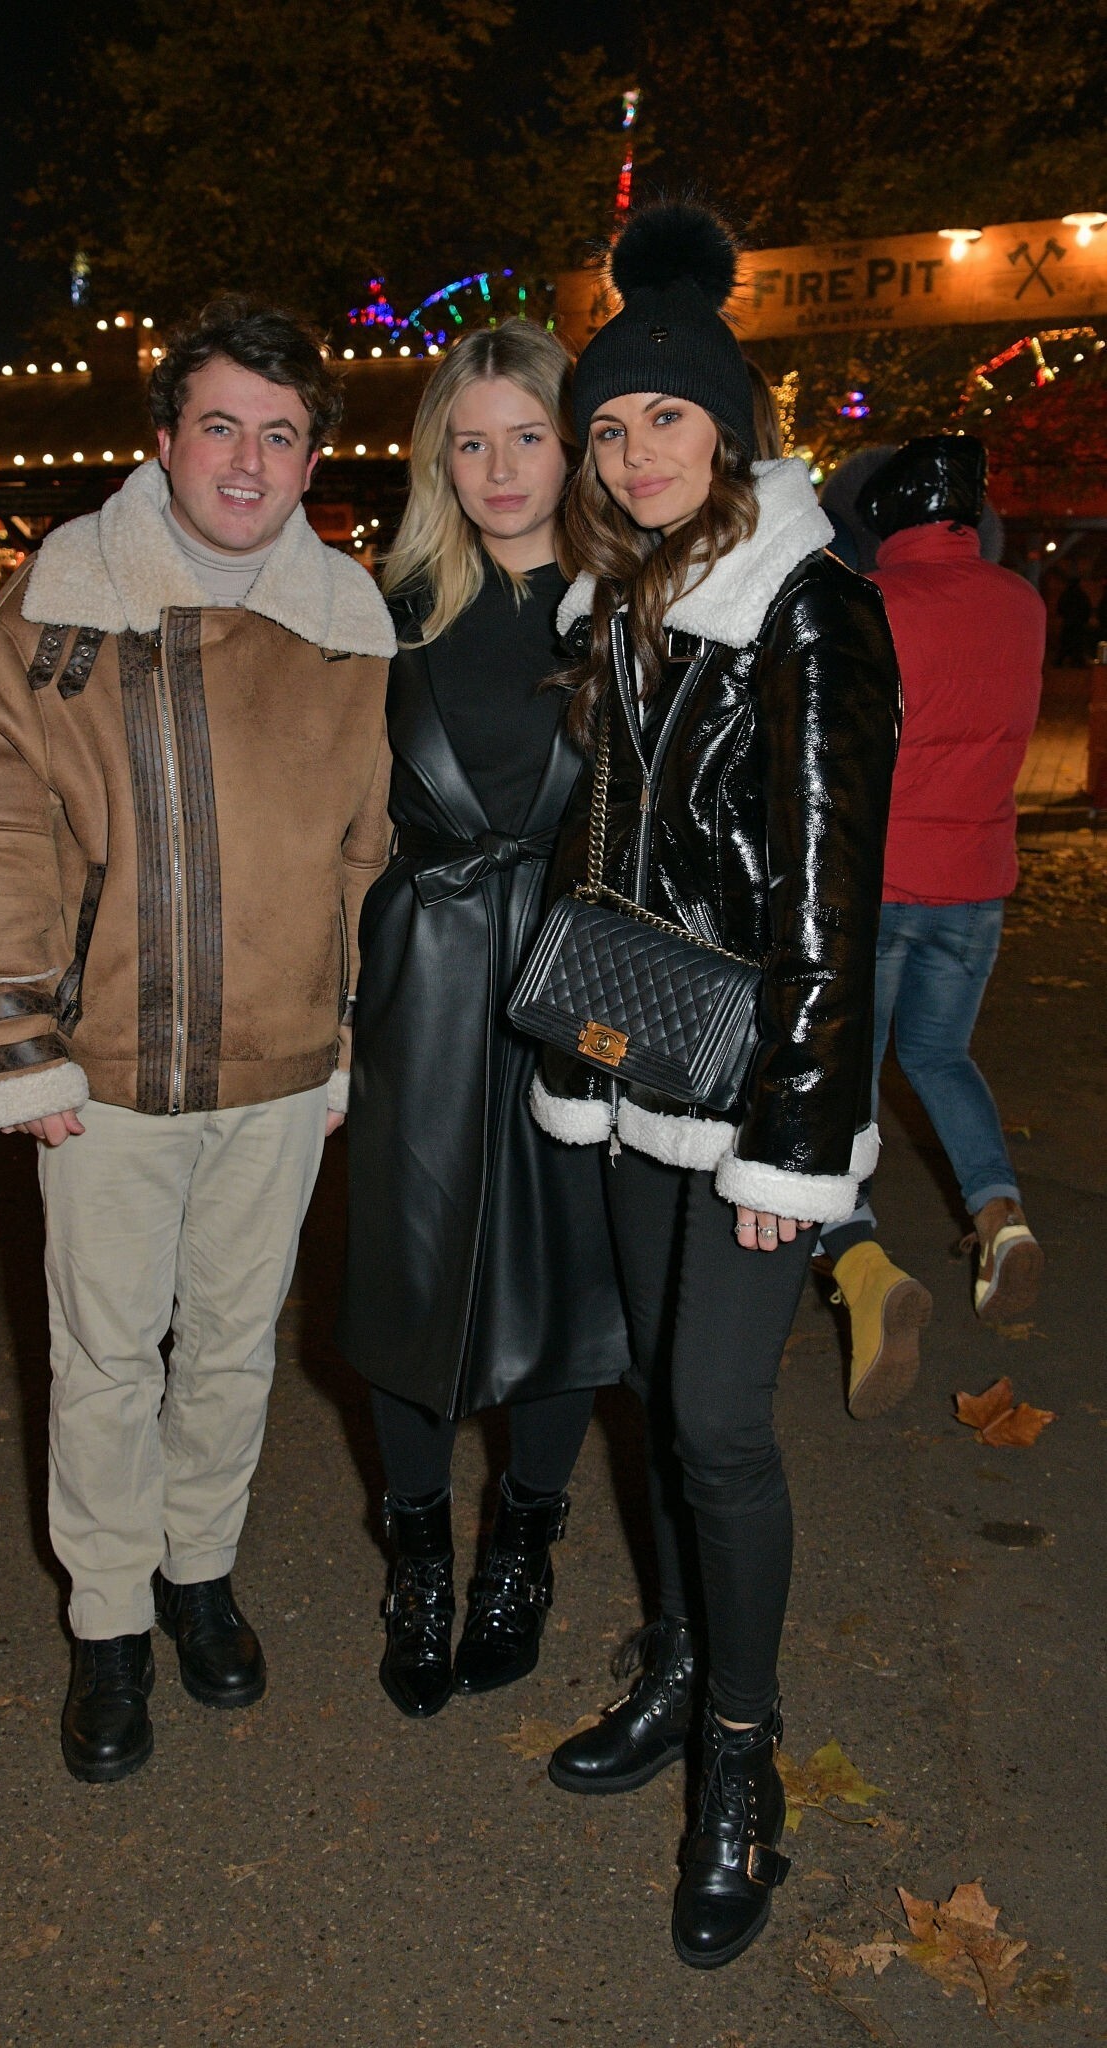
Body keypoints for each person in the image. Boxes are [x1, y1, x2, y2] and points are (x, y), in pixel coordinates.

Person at [0, 295, 394, 1784]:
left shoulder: (350, 623)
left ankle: (201, 1573)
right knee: (105, 1357)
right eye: (221, 426)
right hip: (107, 1068)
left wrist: (343, 1037)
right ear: (164, 438)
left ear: (312, 458)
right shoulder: (58, 602)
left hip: (280, 1068)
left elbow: (367, 852)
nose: (248, 462)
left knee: (236, 1348)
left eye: (280, 435)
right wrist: (16, 1040)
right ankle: (111, 1619)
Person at [528, 202, 900, 1967]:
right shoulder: (622, 600)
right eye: (608, 425)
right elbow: (610, 844)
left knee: (721, 1422)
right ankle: (675, 1664)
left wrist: (793, 1147)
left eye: (664, 416)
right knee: (649, 1399)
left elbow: (833, 902)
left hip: (753, 1088)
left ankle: (740, 1767)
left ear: (732, 424)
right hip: (633, 1062)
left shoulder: (809, 608)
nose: (633, 451)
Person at [339, 325, 630, 1720]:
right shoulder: (380, 611)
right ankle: (417, 1560)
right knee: (407, 1275)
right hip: (426, 976)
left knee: (573, 1278)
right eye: (473, 441)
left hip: (581, 981)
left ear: (572, 449)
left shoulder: (632, 605)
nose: (502, 468)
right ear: (437, 459)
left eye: (528, 437)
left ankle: (521, 1545)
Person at [818, 436, 1045, 1403]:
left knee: (849, 1071)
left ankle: (862, 1252)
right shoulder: (1022, 603)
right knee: (942, 1056)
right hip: (977, 882)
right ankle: (1001, 1219)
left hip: (877, 885)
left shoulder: (868, 604)